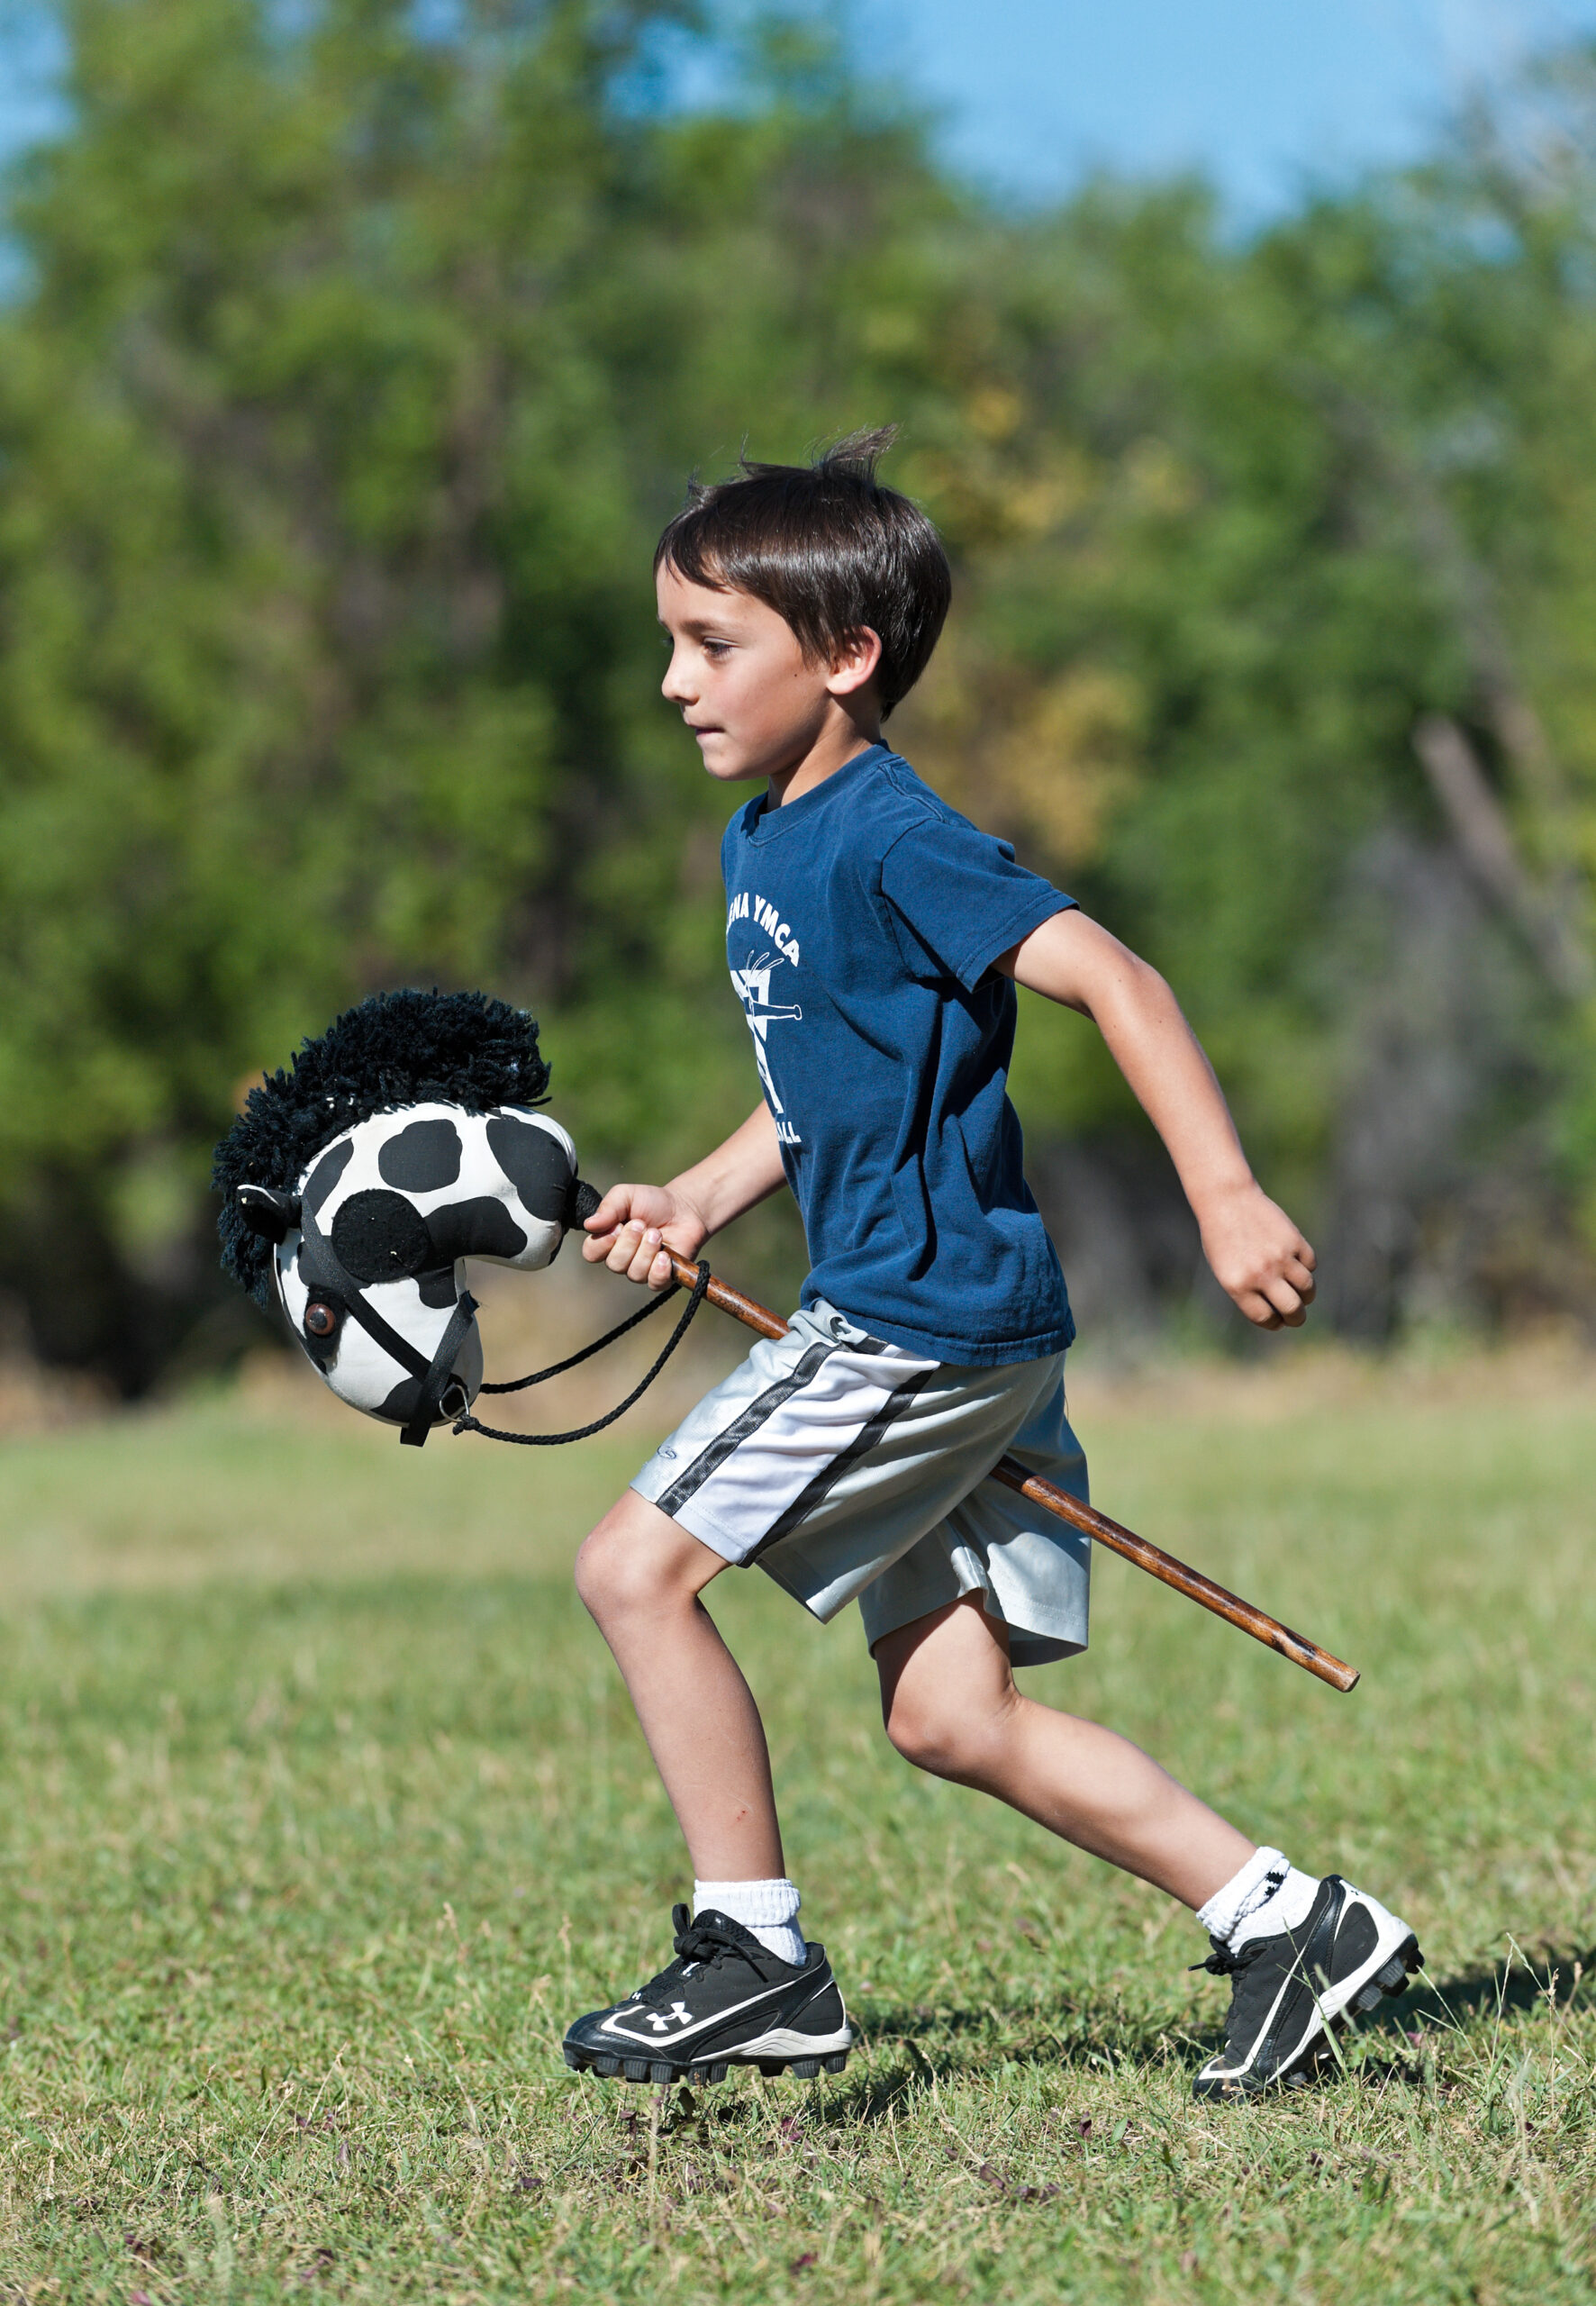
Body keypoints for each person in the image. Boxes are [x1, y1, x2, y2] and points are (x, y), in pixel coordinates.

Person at [561, 431, 1419, 2102]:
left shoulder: (892, 834)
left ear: (848, 657)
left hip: (913, 1320)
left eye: (713, 643)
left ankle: (755, 1952)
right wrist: (699, 1196)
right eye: (670, 640)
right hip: (950, 1322)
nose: (675, 680)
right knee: (953, 1720)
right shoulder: (763, 842)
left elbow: (1121, 978)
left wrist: (1227, 1195)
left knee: (629, 1571)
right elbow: (822, 1087)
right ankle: (1289, 1923)